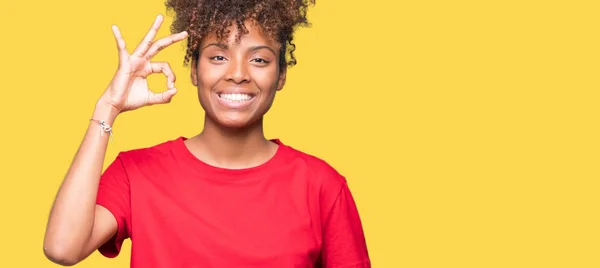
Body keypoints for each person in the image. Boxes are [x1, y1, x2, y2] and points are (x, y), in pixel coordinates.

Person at [43, 0, 371, 267]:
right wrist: (107, 108)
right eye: (218, 57)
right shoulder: (136, 173)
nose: (238, 74)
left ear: (281, 75)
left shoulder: (323, 186)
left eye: (259, 59)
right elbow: (62, 249)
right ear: (194, 71)